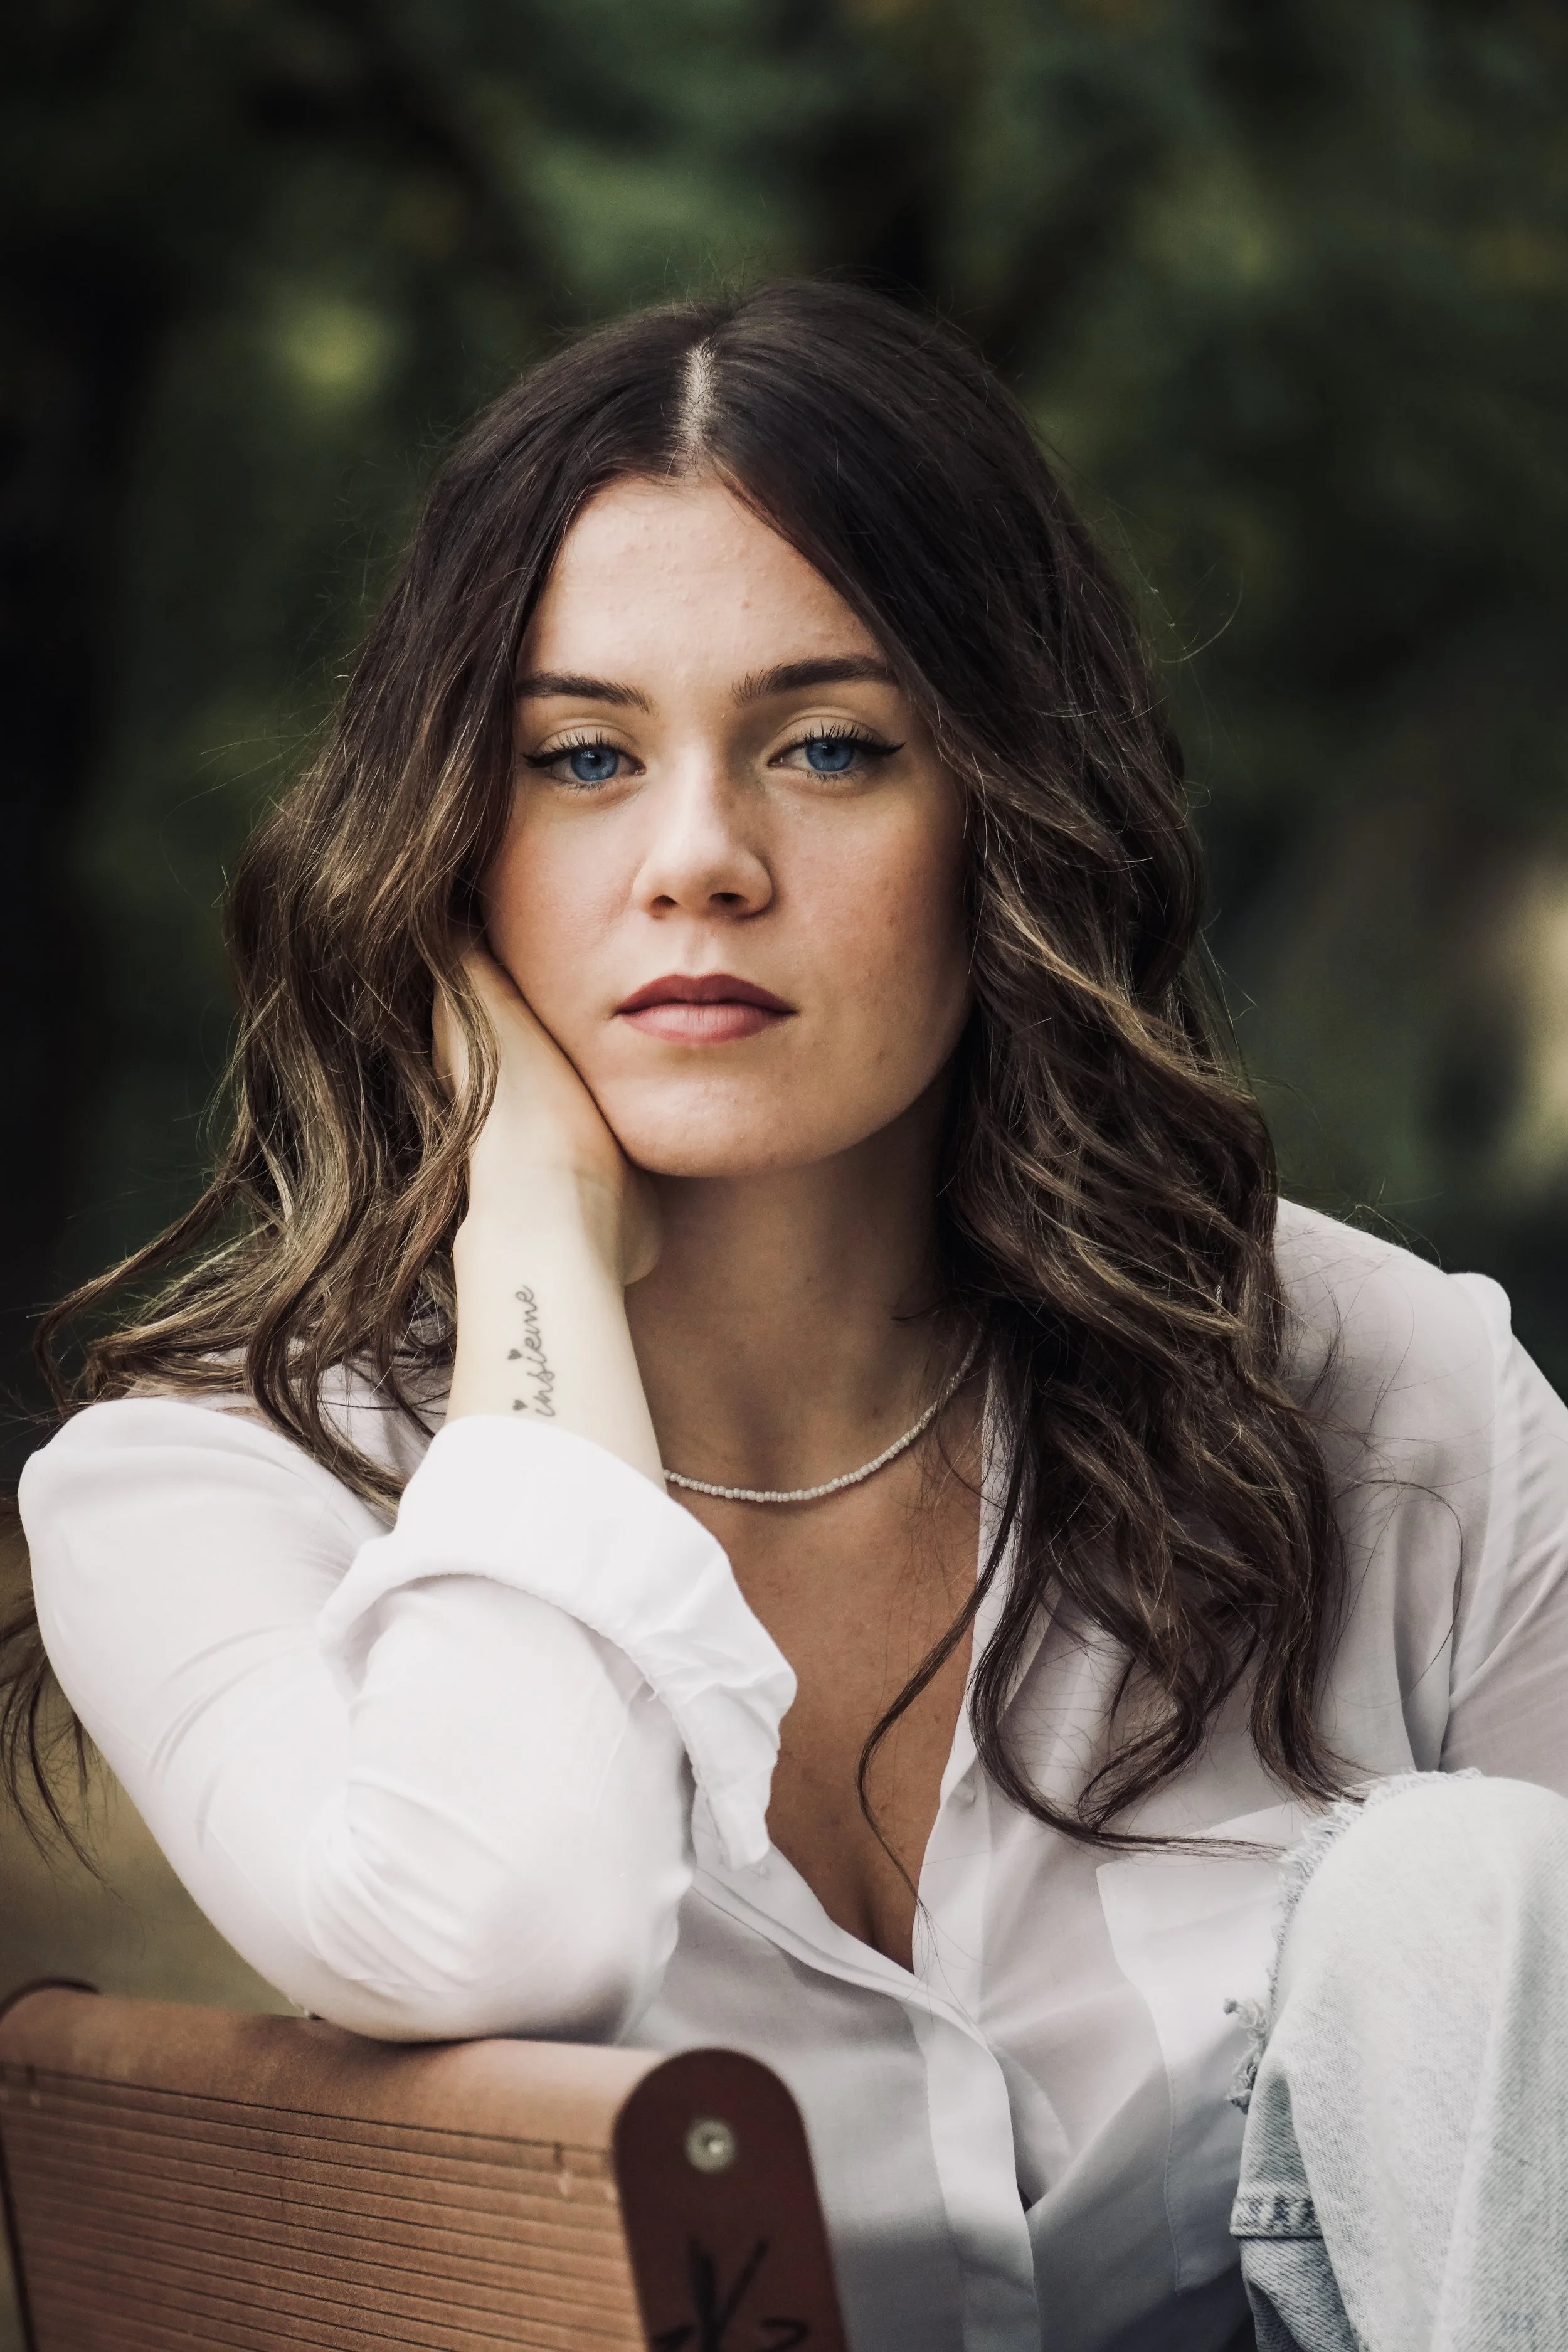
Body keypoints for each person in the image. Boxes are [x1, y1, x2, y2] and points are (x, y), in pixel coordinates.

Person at [10, 282, 1568, 2352]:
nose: (696, 861)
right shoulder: (203, 1489)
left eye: (827, 746)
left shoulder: (1392, 1399)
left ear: (1008, 808)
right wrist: (537, 1242)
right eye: (577, 759)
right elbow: (510, 1925)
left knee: (1463, 1891)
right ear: (447, 845)